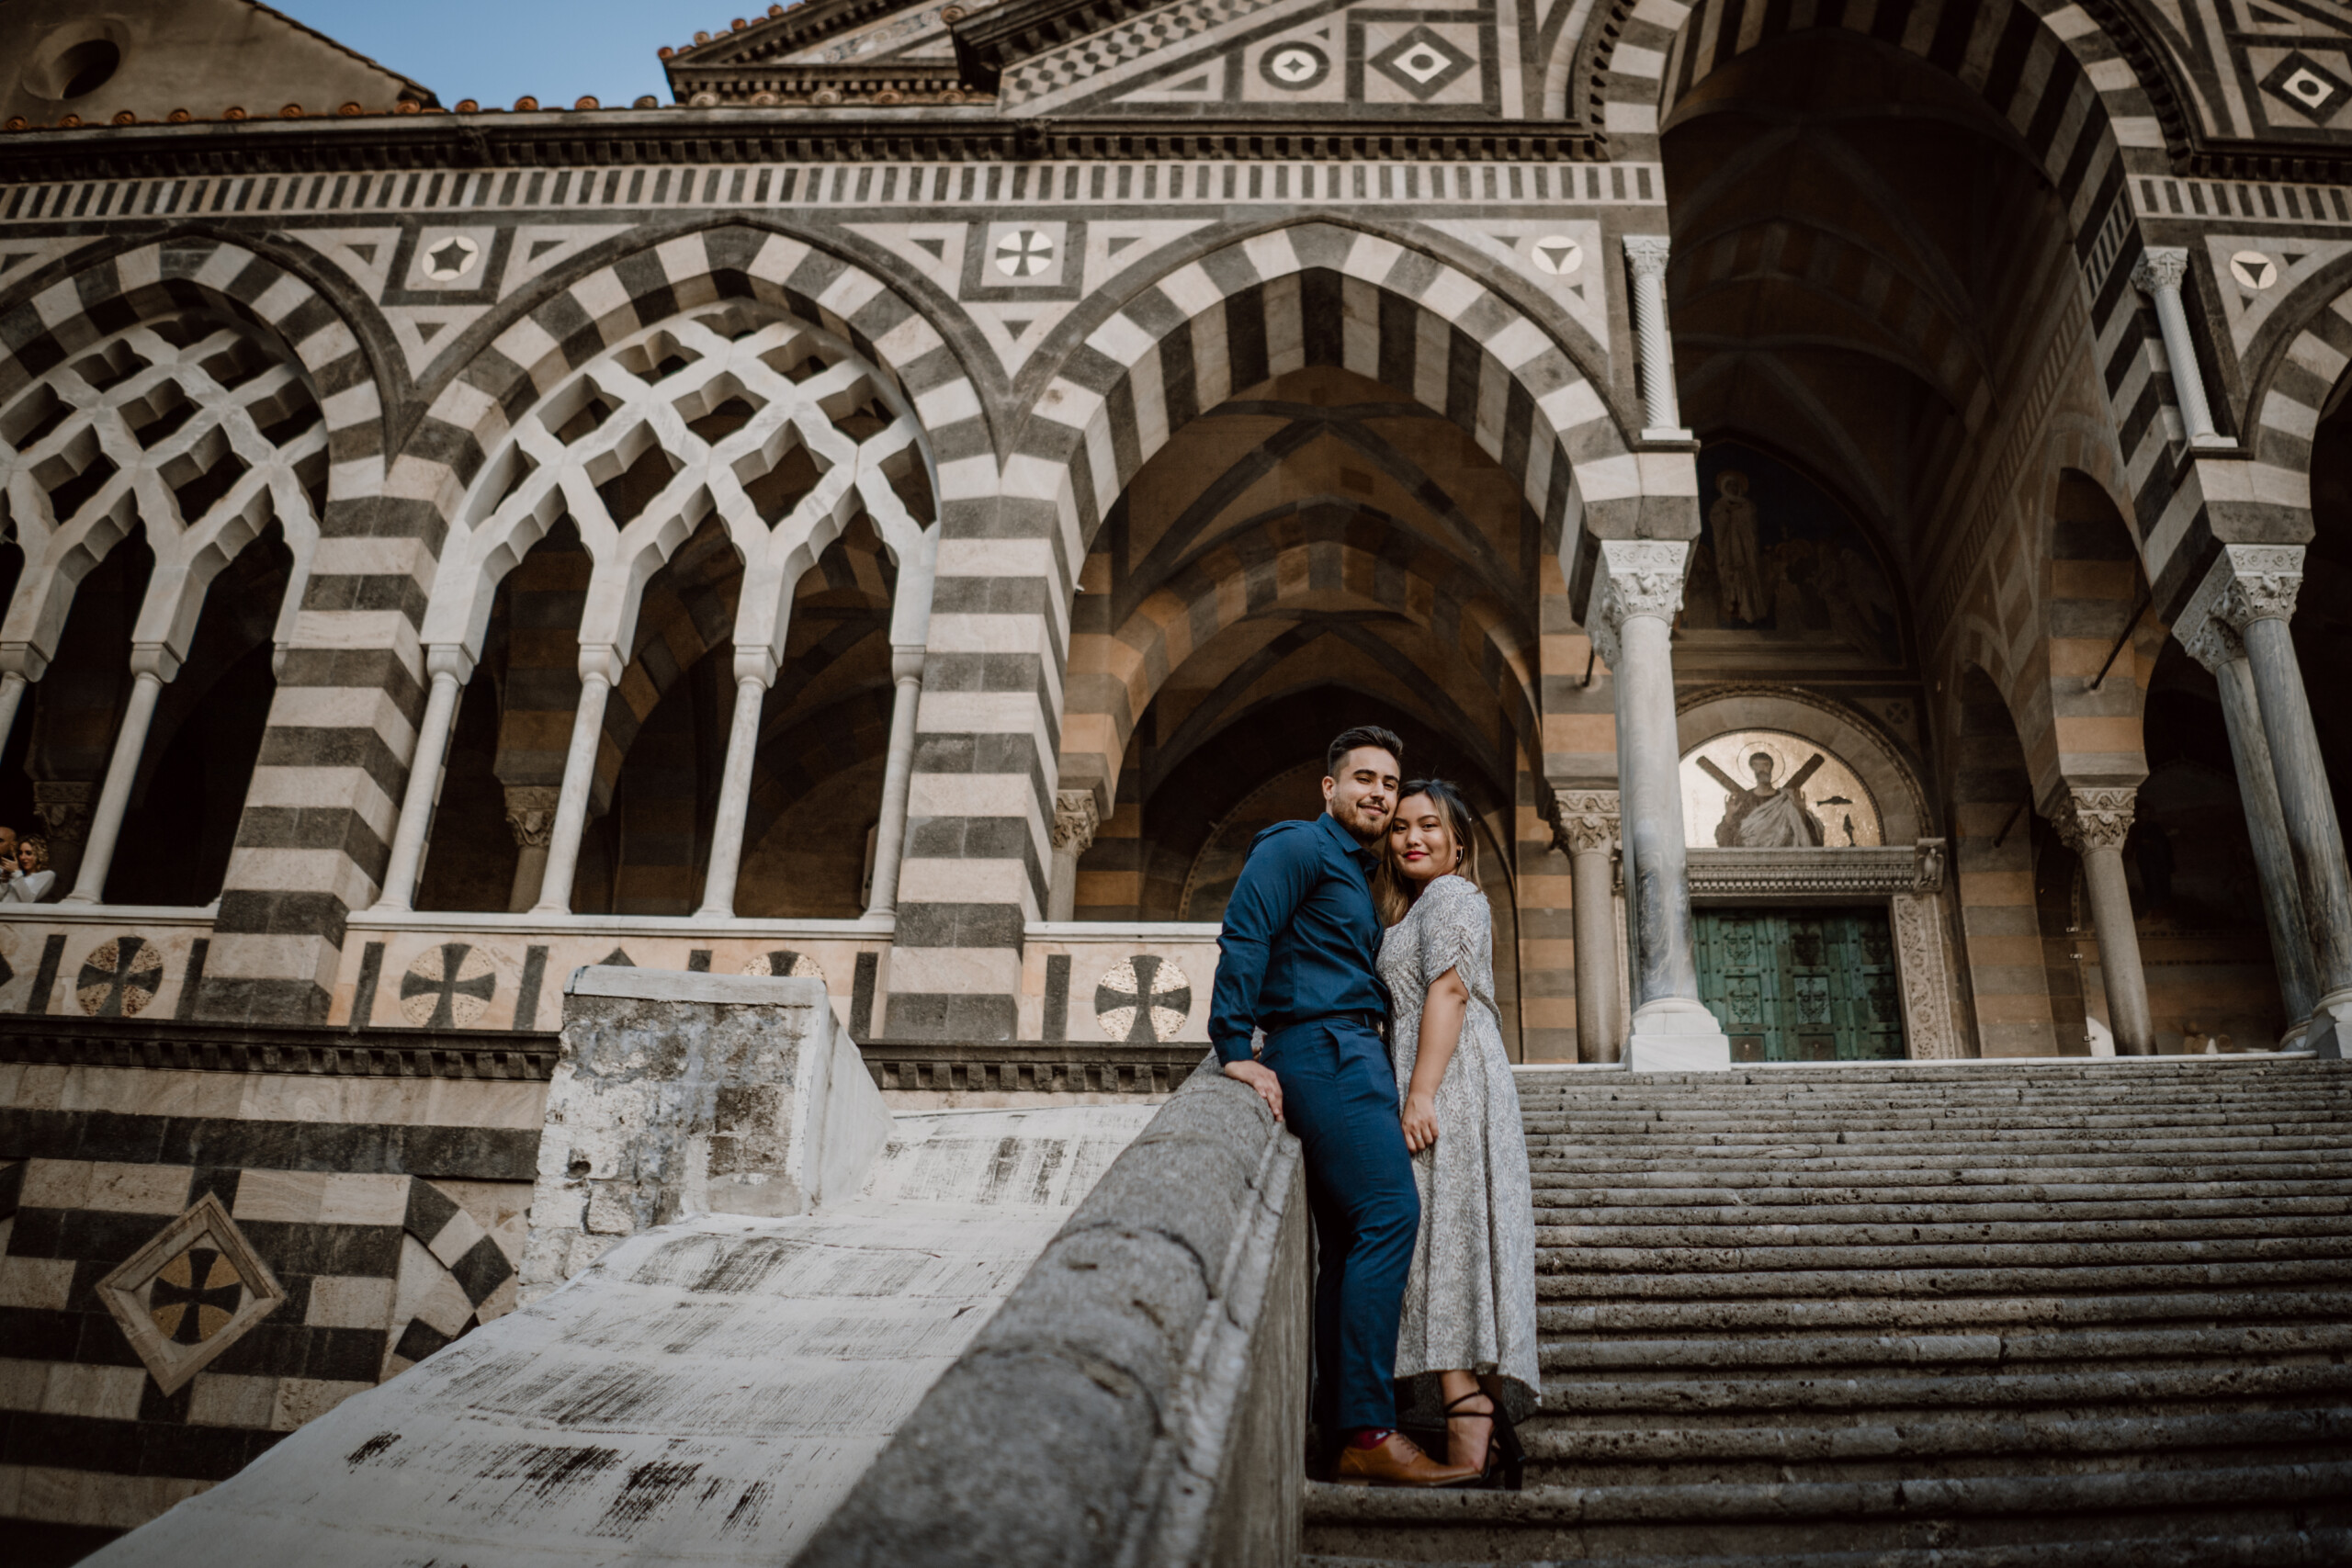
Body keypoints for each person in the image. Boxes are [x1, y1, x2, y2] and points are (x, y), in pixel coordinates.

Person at [1211, 726, 1479, 1488]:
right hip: (1325, 1050)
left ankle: (1344, 1428)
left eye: (1389, 784)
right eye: (1363, 778)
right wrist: (1233, 1045)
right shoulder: (1296, 846)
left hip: (1351, 1051)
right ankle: (1367, 1427)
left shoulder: (1359, 876)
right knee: (1391, 1212)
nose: (1378, 793)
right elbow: (1245, 934)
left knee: (1348, 1244)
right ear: (1329, 787)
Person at [1375, 780, 1540, 1488]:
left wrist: (1420, 1091)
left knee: (1445, 1238)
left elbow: (1448, 989)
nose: (1413, 836)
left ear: (1458, 840)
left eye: (1430, 825)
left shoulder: (1451, 896)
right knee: (1454, 1236)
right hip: (1449, 1077)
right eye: (1400, 827)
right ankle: (1479, 1420)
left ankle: (1468, 1420)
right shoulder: (1420, 905)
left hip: (1451, 1082)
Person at [6, 837, 54, 902]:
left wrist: (16, 872)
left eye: (28, 853)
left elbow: (28, 900)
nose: (23, 857)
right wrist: (4, 880)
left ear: (39, 854)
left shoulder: (48, 874)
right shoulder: (17, 874)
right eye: (20, 853)